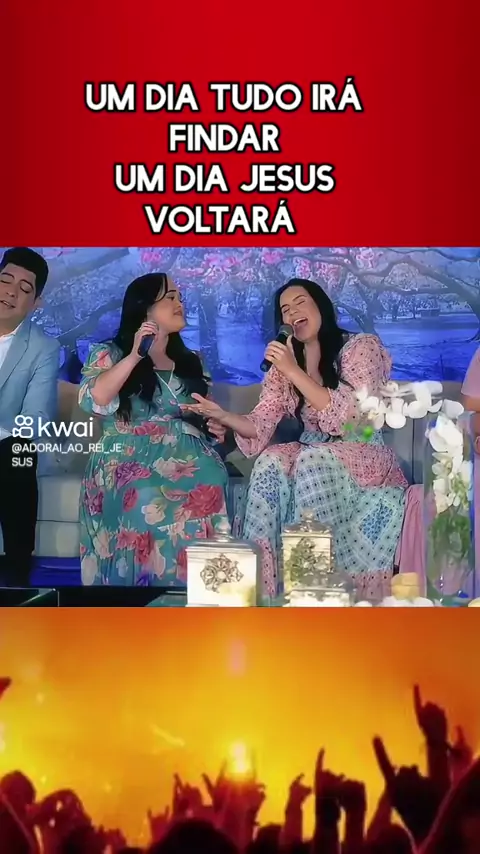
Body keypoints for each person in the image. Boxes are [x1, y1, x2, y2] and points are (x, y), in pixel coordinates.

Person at [183, 279, 407, 600]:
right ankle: (262, 592)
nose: (292, 313)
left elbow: (353, 416)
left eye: (300, 302)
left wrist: (292, 370)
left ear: (321, 307)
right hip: (313, 449)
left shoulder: (361, 347)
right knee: (271, 461)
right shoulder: (286, 363)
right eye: (285, 310)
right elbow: (261, 421)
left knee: (312, 460)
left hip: (361, 448)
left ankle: (313, 589)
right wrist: (225, 416)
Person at [78, 272, 228, 587]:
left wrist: (215, 427)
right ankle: (139, 595)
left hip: (188, 454)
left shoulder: (192, 361)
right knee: (145, 493)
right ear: (145, 308)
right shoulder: (110, 352)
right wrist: (135, 356)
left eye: (180, 297)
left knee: (213, 479)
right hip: (126, 454)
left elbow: (206, 415)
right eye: (170, 297)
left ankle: (201, 594)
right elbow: (95, 399)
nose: (179, 303)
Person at [0, 247, 59, 588]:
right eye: (5, 280)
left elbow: (37, 417)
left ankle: (17, 573)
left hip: (6, 445)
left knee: (17, 451)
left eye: (24, 289)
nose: (10, 292)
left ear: (36, 303)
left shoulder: (43, 348)